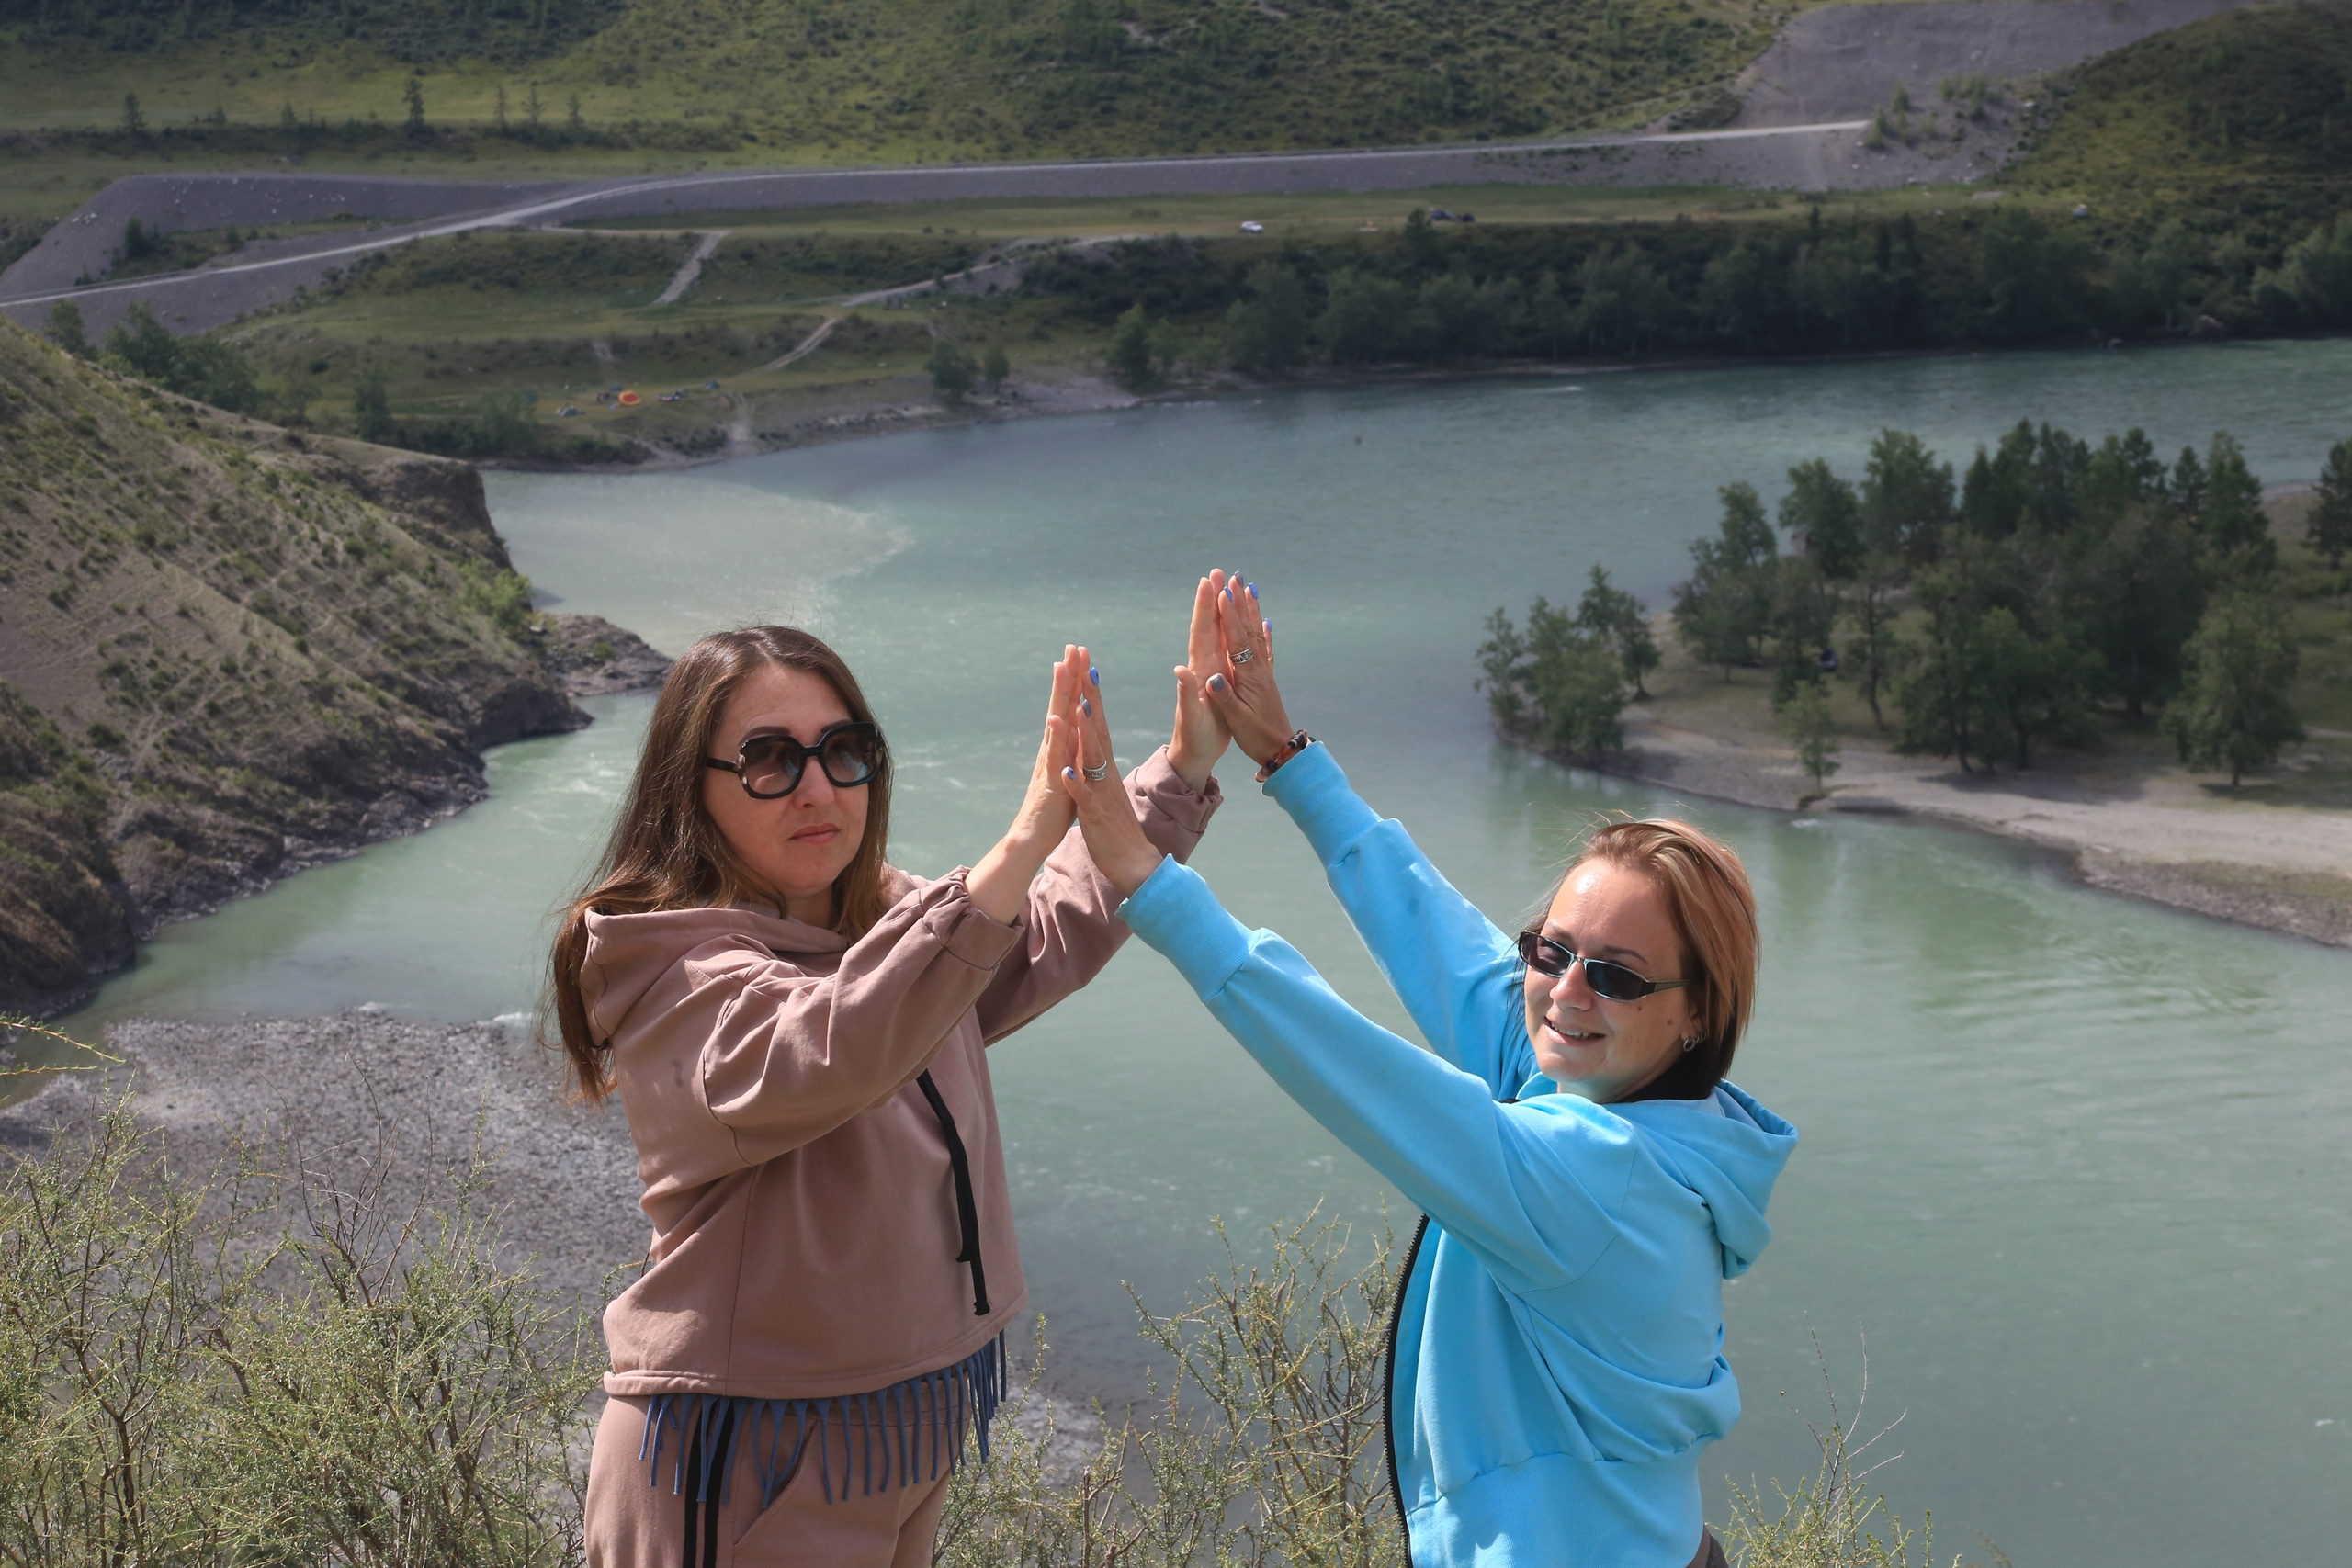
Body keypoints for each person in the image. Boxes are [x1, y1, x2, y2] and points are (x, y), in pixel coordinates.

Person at [1053, 581, 1798, 1568]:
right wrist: (1288, 759)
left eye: (1616, 974)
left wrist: (1150, 884)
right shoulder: (1639, 1104)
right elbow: (1453, 950)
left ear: (1697, 1009)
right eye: (1552, 950)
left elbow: (1366, 1076)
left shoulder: (1595, 1178)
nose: (1566, 992)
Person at [548, 604, 1229, 1568]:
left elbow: (1043, 930)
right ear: (689, 786)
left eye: (844, 752)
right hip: (745, 1450)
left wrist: (1181, 768)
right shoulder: (673, 974)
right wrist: (1023, 836)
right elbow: (825, 1045)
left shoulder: (887, 924)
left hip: (906, 1424)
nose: (817, 787)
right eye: (769, 759)